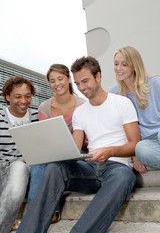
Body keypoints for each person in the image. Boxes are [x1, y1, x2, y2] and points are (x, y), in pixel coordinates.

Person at [17, 56, 140, 233]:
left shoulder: (122, 103)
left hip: (116, 167)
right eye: (78, 83)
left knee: (125, 177)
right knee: (55, 167)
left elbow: (135, 144)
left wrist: (110, 150)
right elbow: (74, 149)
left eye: (85, 81)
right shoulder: (80, 113)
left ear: (98, 76)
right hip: (90, 168)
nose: (82, 88)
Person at [36, 63, 86, 221]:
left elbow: (86, 140)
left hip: (80, 152)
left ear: (69, 78)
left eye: (60, 79)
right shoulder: (44, 108)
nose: (57, 84)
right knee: (37, 164)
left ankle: (46, 210)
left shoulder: (83, 104)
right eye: (52, 81)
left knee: (53, 164)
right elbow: (46, 138)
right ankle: (39, 212)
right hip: (54, 152)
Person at [109, 46, 160, 172]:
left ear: (134, 66)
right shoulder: (114, 93)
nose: (118, 69)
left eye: (124, 64)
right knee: (140, 149)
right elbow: (120, 128)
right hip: (148, 144)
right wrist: (135, 158)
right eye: (116, 64)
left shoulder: (155, 82)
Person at [0, 75, 38, 233]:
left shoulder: (37, 117)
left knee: (19, 168)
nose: (24, 101)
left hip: (21, 168)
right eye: (18, 96)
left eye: (27, 96)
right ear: (7, 97)